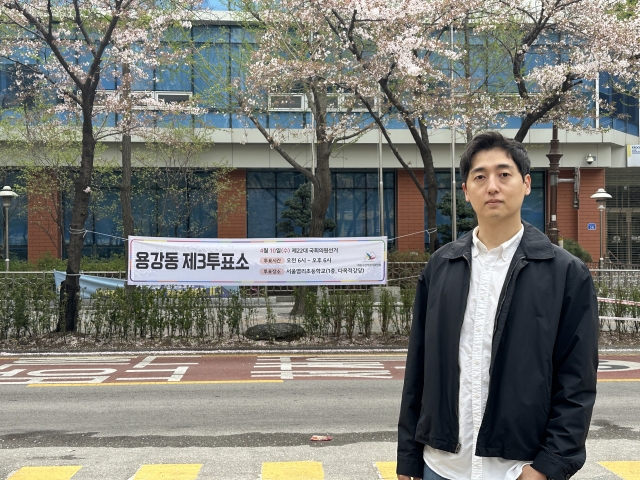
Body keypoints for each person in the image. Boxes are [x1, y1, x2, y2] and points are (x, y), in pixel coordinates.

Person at [396, 131, 599, 480]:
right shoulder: (442, 266)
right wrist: (408, 457)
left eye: (504, 174)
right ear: (465, 190)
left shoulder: (565, 273)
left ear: (526, 184)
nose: (492, 186)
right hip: (441, 466)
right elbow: (419, 367)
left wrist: (548, 467)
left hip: (518, 469)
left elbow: (576, 381)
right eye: (480, 176)